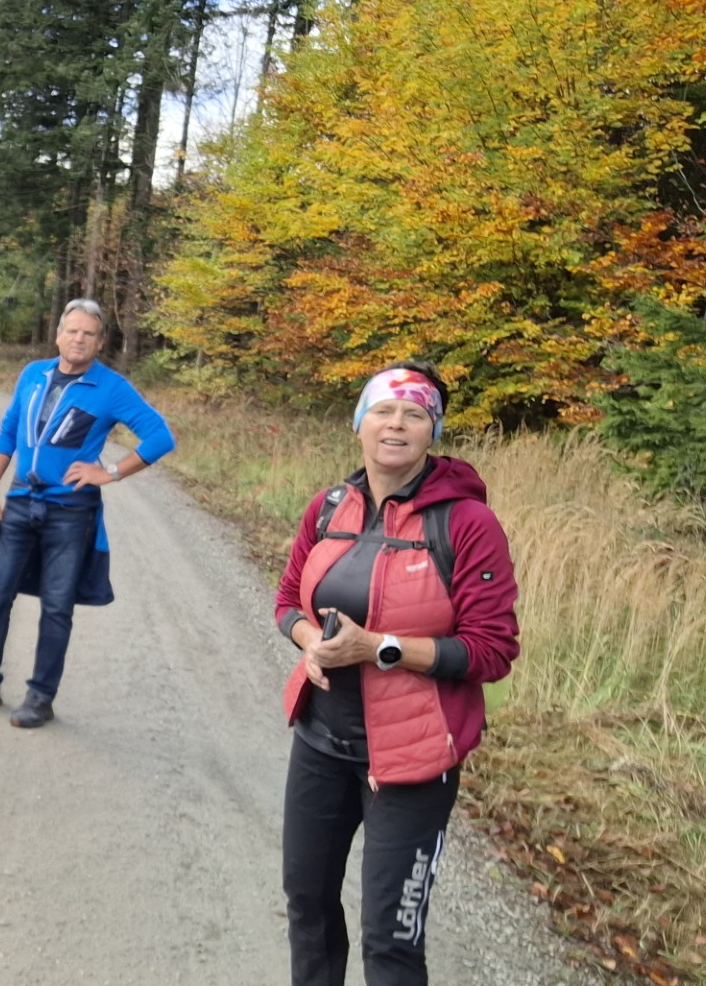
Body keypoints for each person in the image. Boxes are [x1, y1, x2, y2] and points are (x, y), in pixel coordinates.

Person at [275, 360, 519, 985]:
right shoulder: (330, 507)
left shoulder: (466, 523)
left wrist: (379, 648)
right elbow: (287, 601)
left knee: (391, 942)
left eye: (415, 414)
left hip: (414, 758)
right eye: (383, 410)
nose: (396, 424)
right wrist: (310, 640)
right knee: (307, 907)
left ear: (432, 431)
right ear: (359, 422)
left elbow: (491, 650)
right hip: (321, 743)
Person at [0, 298, 174, 728]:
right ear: (58, 335)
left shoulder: (111, 387)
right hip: (20, 501)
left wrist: (110, 472)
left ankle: (40, 697)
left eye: (89, 334)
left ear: (100, 342)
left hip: (70, 512)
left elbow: (160, 436)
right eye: (72, 331)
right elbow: (9, 430)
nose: (79, 339)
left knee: (56, 606)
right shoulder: (34, 374)